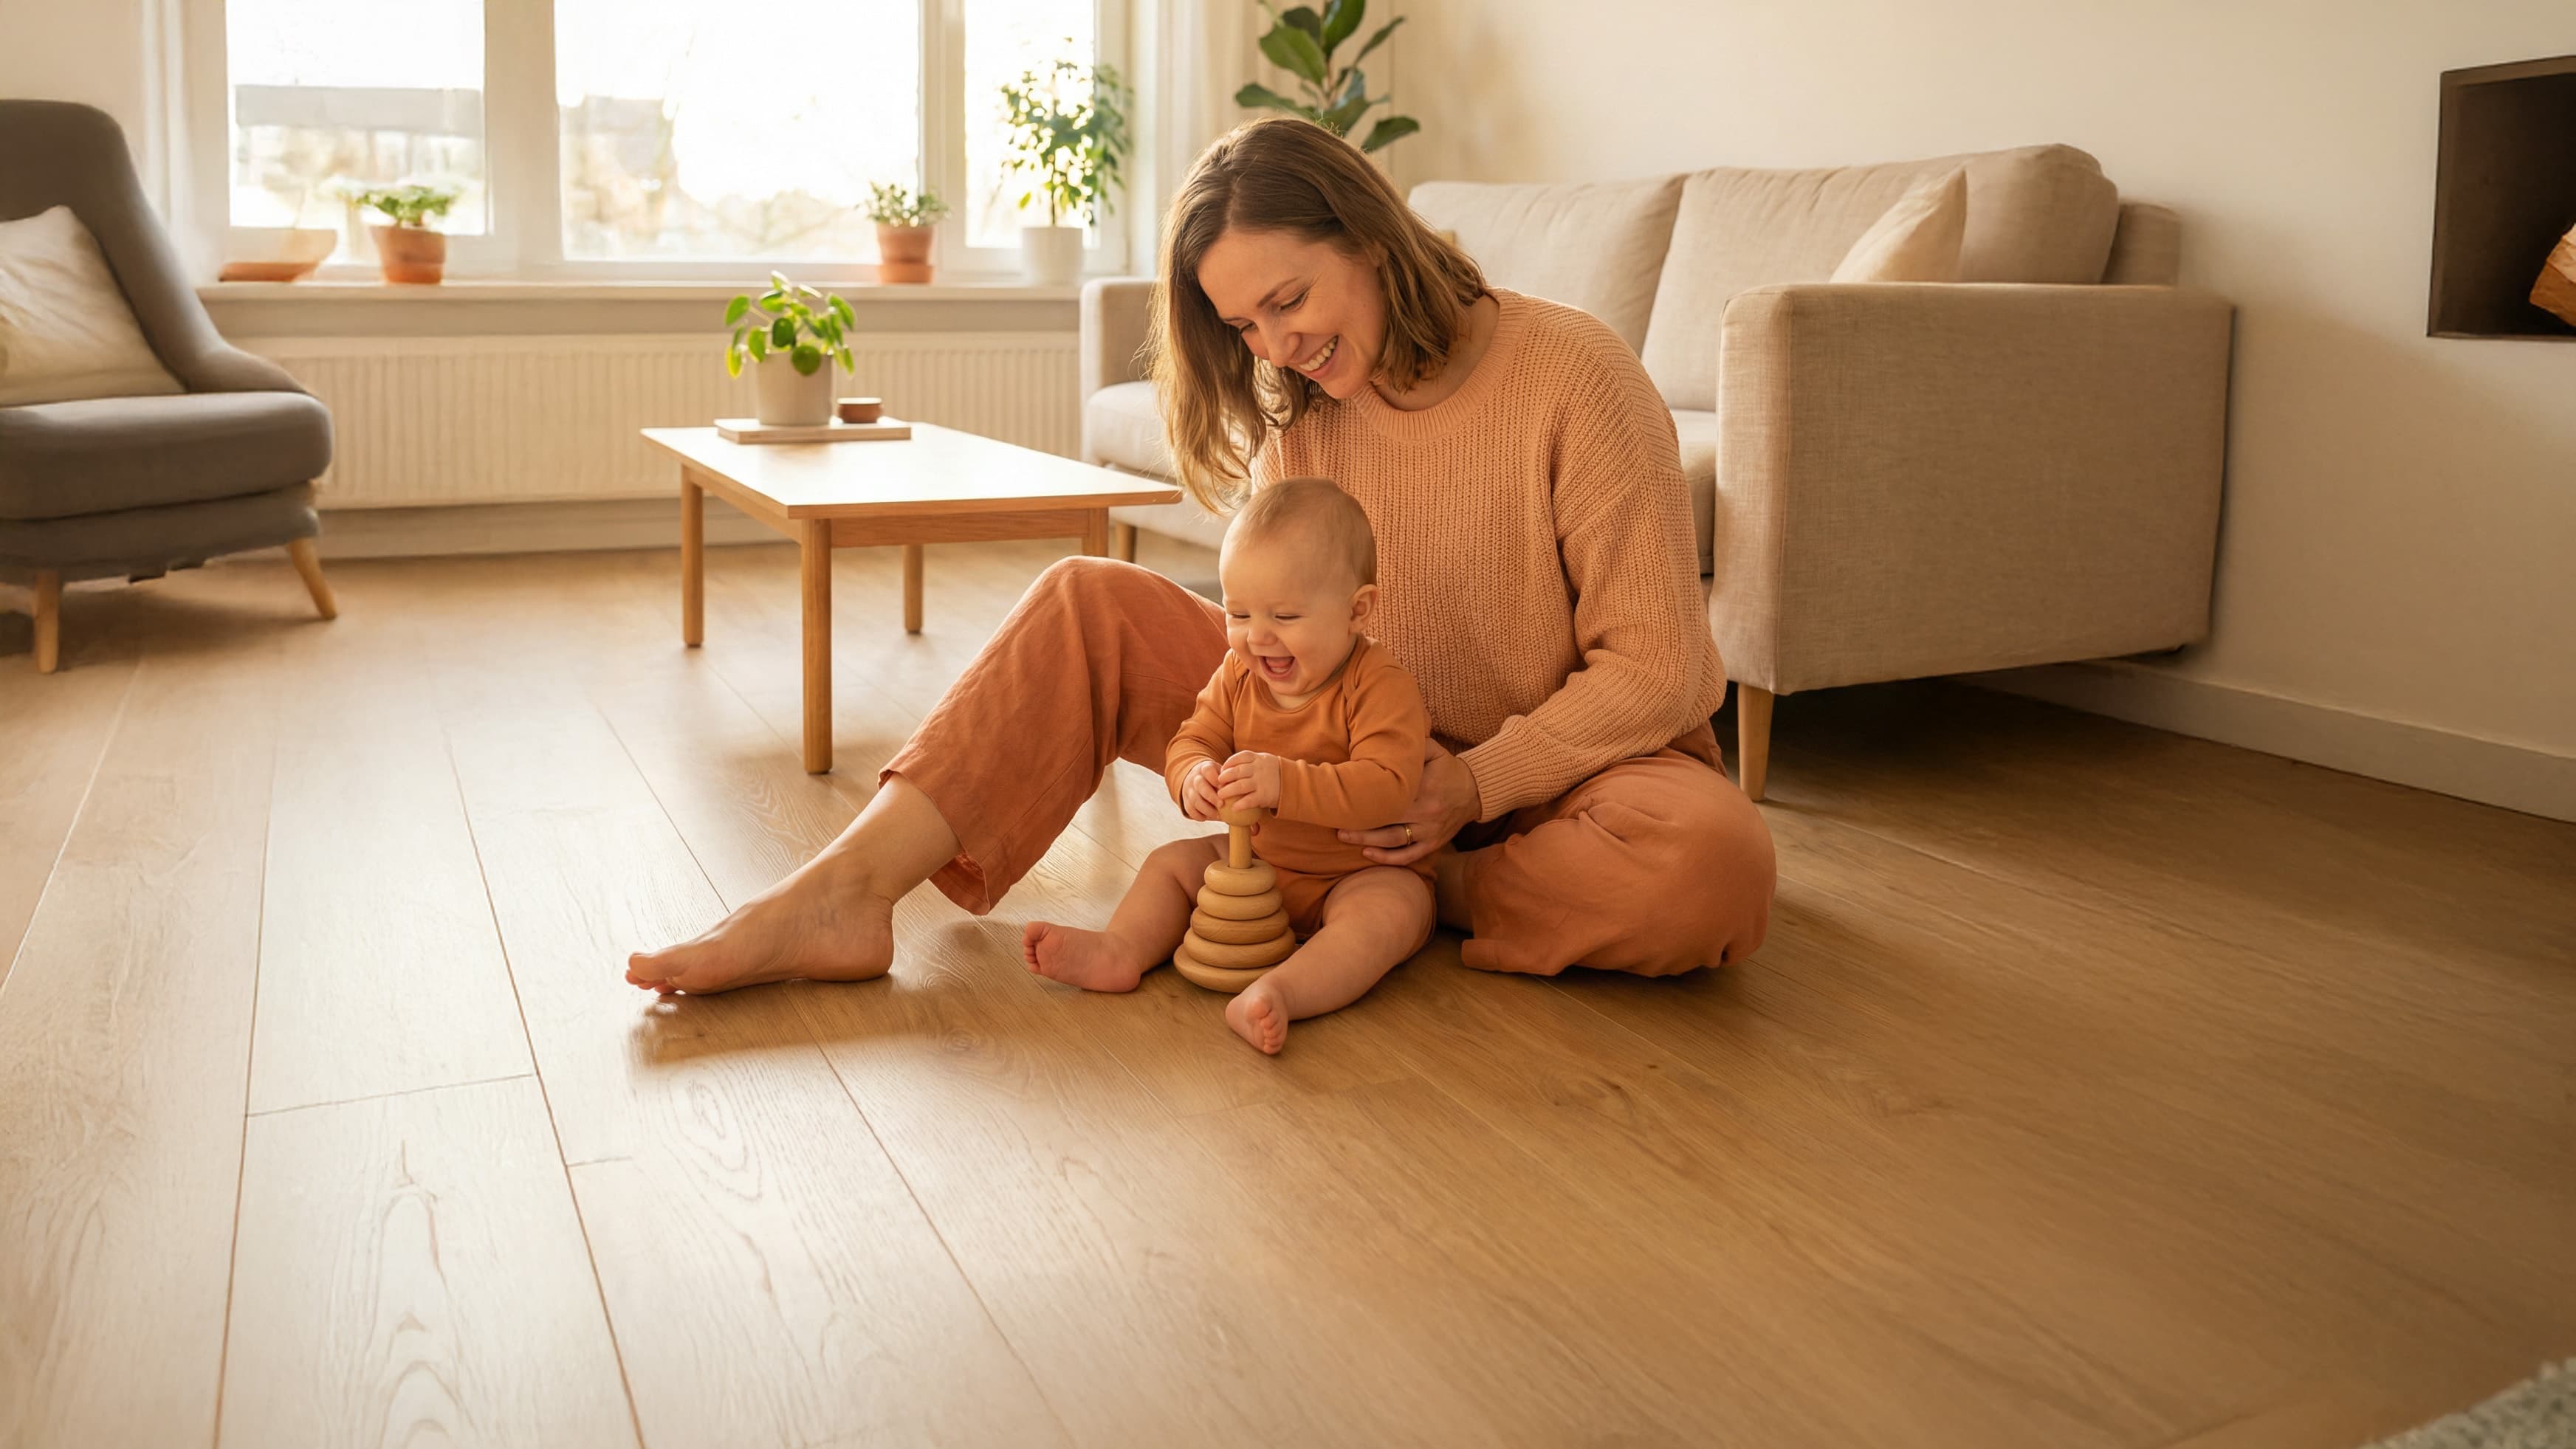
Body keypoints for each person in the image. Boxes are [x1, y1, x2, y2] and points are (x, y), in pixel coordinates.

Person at [625, 115, 1774, 997]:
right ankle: (840, 893)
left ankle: (1423, 886)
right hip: (1336, 753)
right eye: (1243, 327)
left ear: (1373, 238)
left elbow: (1659, 670)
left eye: (1289, 299)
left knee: (1711, 861)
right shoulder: (1307, 409)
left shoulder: (1578, 375)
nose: (1278, 345)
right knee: (1087, 599)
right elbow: (1266, 639)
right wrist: (1212, 757)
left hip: (1545, 782)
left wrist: (1468, 788)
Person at [1024, 478, 1436, 1054]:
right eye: (1237, 612)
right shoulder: (1238, 673)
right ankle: (1120, 949)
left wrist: (1284, 783)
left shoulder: (1378, 683)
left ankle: (1281, 993)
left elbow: (1391, 786)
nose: (1257, 635)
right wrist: (1191, 775)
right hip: (1256, 859)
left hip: (1355, 873)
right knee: (1171, 864)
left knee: (1394, 912)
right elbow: (1194, 738)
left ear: (1356, 610)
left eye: (1285, 615)